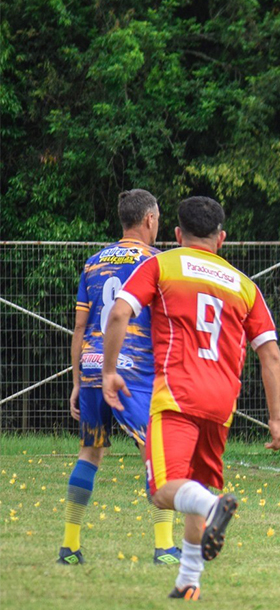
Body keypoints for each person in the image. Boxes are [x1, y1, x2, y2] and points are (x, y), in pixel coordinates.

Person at [102, 196, 280, 600]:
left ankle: (212, 507)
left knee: (164, 490)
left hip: (177, 397)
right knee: (195, 485)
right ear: (221, 238)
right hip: (222, 404)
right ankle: (189, 581)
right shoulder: (244, 285)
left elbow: (118, 314)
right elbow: (270, 353)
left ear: (176, 234)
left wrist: (110, 371)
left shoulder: (161, 265)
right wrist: (276, 418)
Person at [59, 189, 174, 566]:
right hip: (134, 370)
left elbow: (79, 327)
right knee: (155, 451)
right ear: (149, 221)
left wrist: (77, 381)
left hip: (93, 365)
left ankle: (70, 547)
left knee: (90, 453)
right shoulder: (156, 262)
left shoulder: (94, 263)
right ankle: (164, 547)